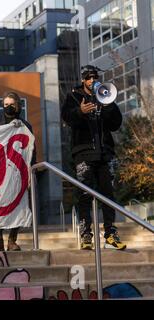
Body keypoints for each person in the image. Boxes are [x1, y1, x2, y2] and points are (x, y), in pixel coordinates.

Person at [61, 65, 126, 250]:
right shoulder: (73, 96)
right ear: (83, 79)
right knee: (84, 194)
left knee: (108, 194)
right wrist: (80, 112)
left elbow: (116, 124)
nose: (92, 80)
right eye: (89, 77)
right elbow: (66, 117)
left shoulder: (104, 96)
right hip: (83, 152)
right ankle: (86, 233)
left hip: (105, 153)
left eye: (95, 77)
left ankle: (111, 233)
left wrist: (108, 106)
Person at [0, 92, 36, 252]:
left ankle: (12, 240)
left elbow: (31, 150)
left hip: (17, 172)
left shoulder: (25, 126)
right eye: (6, 104)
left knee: (18, 206)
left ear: (18, 106)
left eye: (12, 104)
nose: (8, 107)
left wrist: (30, 171)